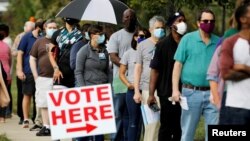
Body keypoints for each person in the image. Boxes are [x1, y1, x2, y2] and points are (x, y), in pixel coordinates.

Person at [171, 8, 219, 141]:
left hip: (213, 93)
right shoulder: (187, 39)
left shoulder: (219, 42)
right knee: (187, 133)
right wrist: (175, 90)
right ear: (198, 23)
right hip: (190, 93)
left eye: (212, 21)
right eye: (205, 21)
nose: (209, 23)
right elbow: (177, 65)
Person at [147, 11, 187, 141]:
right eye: (179, 21)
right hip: (166, 93)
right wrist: (151, 94)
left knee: (181, 127)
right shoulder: (162, 45)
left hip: (185, 92)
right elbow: (155, 71)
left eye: (183, 20)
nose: (182, 23)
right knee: (166, 127)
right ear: (171, 25)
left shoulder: (188, 43)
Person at [107, 8, 137, 141]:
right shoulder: (116, 36)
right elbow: (113, 57)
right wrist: (128, 67)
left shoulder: (140, 35)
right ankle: (116, 138)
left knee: (133, 114)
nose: (129, 19)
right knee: (118, 112)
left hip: (137, 80)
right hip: (120, 78)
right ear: (122, 19)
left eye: (131, 17)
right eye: (126, 17)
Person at [134, 15, 166, 141]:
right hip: (147, 90)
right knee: (151, 126)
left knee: (164, 125)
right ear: (151, 29)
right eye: (157, 28)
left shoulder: (167, 44)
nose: (160, 30)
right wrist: (137, 91)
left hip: (165, 90)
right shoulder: (142, 45)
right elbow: (138, 69)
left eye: (162, 28)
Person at [74, 25, 109, 141]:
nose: (102, 36)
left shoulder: (104, 50)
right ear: (93, 36)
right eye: (100, 34)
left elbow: (107, 71)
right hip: (88, 89)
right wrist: (83, 90)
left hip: (102, 91)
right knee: (87, 125)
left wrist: (108, 87)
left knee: (100, 126)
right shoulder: (83, 51)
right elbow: (78, 72)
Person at [219, 3, 250, 125]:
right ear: (242, 19)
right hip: (236, 106)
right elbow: (226, 73)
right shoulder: (230, 42)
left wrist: (243, 67)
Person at [119, 27, 150, 141]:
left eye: (146, 36)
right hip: (133, 91)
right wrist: (128, 84)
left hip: (147, 90)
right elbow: (121, 73)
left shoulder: (151, 51)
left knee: (148, 123)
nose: (143, 39)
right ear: (135, 37)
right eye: (141, 36)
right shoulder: (128, 53)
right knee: (133, 121)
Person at [29, 19, 58, 136]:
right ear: (45, 28)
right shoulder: (39, 42)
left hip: (58, 77)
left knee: (56, 103)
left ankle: (57, 126)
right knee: (44, 103)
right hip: (43, 77)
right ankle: (47, 126)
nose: (52, 29)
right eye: (50, 27)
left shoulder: (59, 41)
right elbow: (32, 58)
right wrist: (35, 75)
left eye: (54, 27)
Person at [16, 20, 44, 128]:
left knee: (39, 97)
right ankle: (26, 119)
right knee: (27, 95)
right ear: (38, 28)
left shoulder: (44, 38)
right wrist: (19, 70)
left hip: (41, 72)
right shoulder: (26, 37)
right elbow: (20, 54)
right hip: (28, 71)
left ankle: (38, 120)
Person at [11, 21, 35, 124]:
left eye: (31, 28)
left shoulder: (36, 37)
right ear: (24, 27)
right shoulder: (20, 37)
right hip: (22, 69)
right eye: (27, 28)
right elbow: (13, 51)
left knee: (34, 95)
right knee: (22, 93)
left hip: (32, 70)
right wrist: (22, 51)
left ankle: (34, 117)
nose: (29, 30)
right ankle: (22, 116)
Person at [48, 17, 83, 88]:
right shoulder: (57, 33)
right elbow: (50, 53)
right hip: (60, 73)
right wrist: (55, 68)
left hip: (77, 73)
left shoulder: (81, 34)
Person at [0, 24, 12, 118]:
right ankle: (6, 113)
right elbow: (10, 60)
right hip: (6, 72)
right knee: (6, 91)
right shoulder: (7, 46)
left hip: (1, 71)